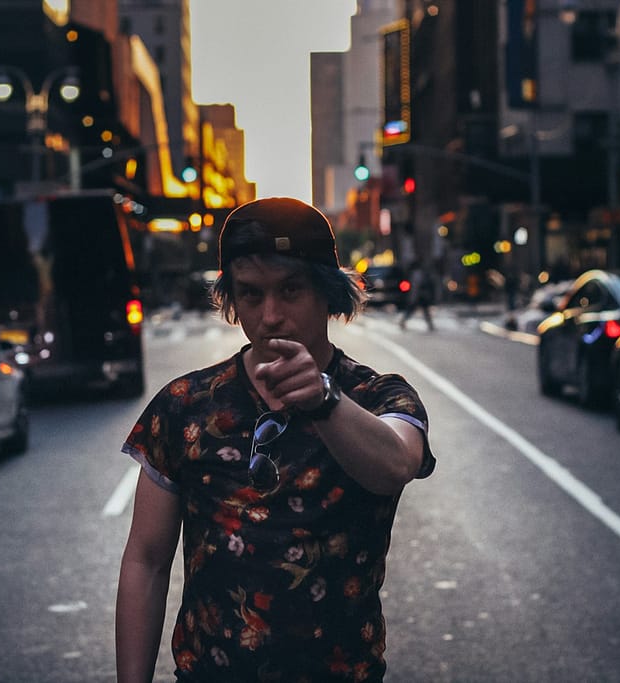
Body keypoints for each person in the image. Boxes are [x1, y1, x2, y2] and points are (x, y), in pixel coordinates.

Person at [116, 197, 436, 681]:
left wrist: (324, 400)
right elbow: (146, 561)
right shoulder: (185, 405)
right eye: (250, 294)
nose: (270, 316)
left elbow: (396, 465)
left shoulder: (378, 396)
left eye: (290, 290)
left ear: (327, 293)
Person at [398, 261, 435, 331]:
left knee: (417, 309)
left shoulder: (414, 274)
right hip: (418, 295)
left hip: (417, 295)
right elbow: (417, 285)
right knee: (418, 309)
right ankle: (430, 324)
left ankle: (403, 321)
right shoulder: (418, 274)